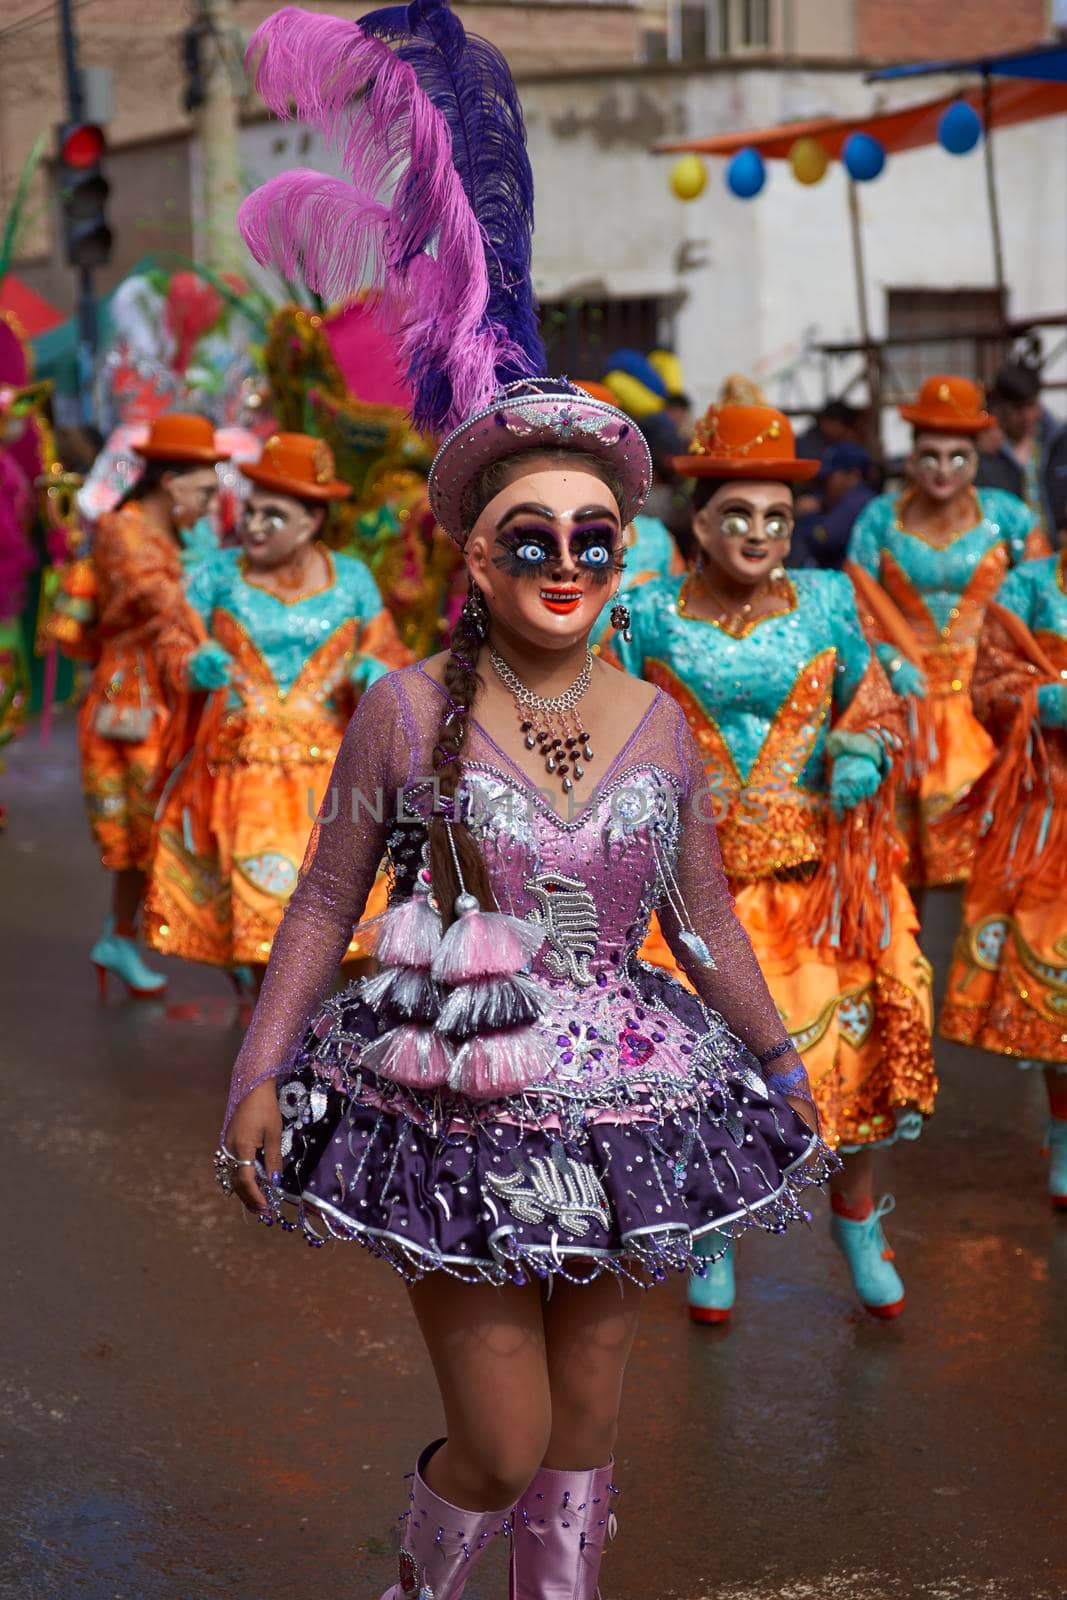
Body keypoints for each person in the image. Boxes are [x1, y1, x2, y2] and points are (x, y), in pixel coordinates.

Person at [217, 9, 831, 1597]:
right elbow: (320, 901)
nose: (565, 567)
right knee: (494, 1441)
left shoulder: (663, 723)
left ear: (620, 559)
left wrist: (776, 1058)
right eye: (528, 540)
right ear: (472, 560)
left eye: (591, 542)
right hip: (452, 1095)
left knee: (583, 1430)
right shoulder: (407, 706)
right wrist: (257, 1073)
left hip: (634, 1099)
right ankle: (421, 1584)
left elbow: (699, 922)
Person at [613, 402, 937, 1324]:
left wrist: (862, 748)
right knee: (706, 1074)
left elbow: (870, 698)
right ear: (696, 523)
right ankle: (711, 1236)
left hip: (818, 883)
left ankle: (857, 1227)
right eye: (736, 516)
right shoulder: (645, 615)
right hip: (692, 893)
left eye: (775, 520)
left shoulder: (830, 601)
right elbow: (609, 721)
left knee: (852, 1066)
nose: (757, 535)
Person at [145, 432, 410, 989]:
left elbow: (389, 654)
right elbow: (170, 644)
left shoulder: (353, 579)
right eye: (252, 509)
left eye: (274, 515)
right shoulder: (217, 575)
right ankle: (269, 1052)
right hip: (241, 774)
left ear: (312, 522)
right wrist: (194, 663)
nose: (254, 525)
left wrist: (375, 674)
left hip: (334, 776)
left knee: (347, 915)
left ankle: (334, 1040)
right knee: (267, 922)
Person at [847, 375, 1047, 890]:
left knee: (993, 863)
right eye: (930, 455)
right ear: (910, 457)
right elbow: (856, 607)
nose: (943, 469)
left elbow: (1041, 605)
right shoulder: (878, 520)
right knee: (898, 867)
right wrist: (890, 662)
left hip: (986, 703)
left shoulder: (1011, 517)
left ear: (978, 459)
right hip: (903, 697)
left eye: (958, 456)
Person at [77, 412, 227, 998]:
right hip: (130, 706)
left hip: (175, 697)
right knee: (147, 829)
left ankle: (129, 937)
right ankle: (139, 935)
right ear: (171, 482)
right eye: (206, 491)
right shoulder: (123, 530)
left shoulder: (173, 538)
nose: (212, 505)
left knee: (181, 819)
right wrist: (205, 572)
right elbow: (165, 603)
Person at [940, 546, 1067, 1208]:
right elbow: (988, 688)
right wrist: (1049, 704)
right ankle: (1063, 1128)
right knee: (1054, 993)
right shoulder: (1027, 587)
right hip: (1048, 813)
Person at [977, 361, 1067, 544]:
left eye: (1031, 405)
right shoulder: (986, 450)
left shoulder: (1060, 441)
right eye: (1018, 409)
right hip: (1009, 557)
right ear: (1000, 407)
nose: (1027, 417)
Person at [790, 441, 875, 570]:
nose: (825, 484)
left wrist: (808, 516)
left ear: (853, 475)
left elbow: (824, 537)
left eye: (830, 477)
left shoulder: (859, 500)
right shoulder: (840, 499)